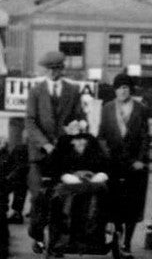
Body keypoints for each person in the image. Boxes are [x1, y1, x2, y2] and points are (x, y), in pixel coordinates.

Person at [25, 50, 86, 254]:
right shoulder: (36, 91)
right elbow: (30, 122)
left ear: (62, 69)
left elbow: (79, 117)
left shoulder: (73, 90)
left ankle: (56, 244)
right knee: (38, 198)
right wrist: (45, 144)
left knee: (61, 199)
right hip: (39, 156)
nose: (53, 73)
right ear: (45, 70)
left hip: (63, 155)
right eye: (49, 69)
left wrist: (76, 127)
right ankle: (37, 234)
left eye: (57, 69)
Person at [98, 74, 150, 259]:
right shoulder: (107, 108)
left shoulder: (141, 109)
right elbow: (101, 136)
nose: (123, 90)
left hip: (134, 166)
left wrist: (141, 160)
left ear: (131, 90)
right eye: (119, 87)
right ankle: (117, 240)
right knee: (115, 206)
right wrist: (106, 156)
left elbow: (145, 138)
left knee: (132, 207)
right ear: (115, 90)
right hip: (113, 165)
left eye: (126, 87)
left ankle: (127, 242)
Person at [44, 120, 111, 258]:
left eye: (78, 126)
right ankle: (65, 237)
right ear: (66, 128)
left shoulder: (92, 141)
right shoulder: (63, 142)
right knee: (62, 199)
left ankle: (92, 237)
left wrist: (100, 175)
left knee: (97, 196)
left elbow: (104, 163)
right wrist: (65, 176)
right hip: (69, 182)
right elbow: (53, 167)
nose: (77, 130)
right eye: (72, 126)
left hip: (91, 181)